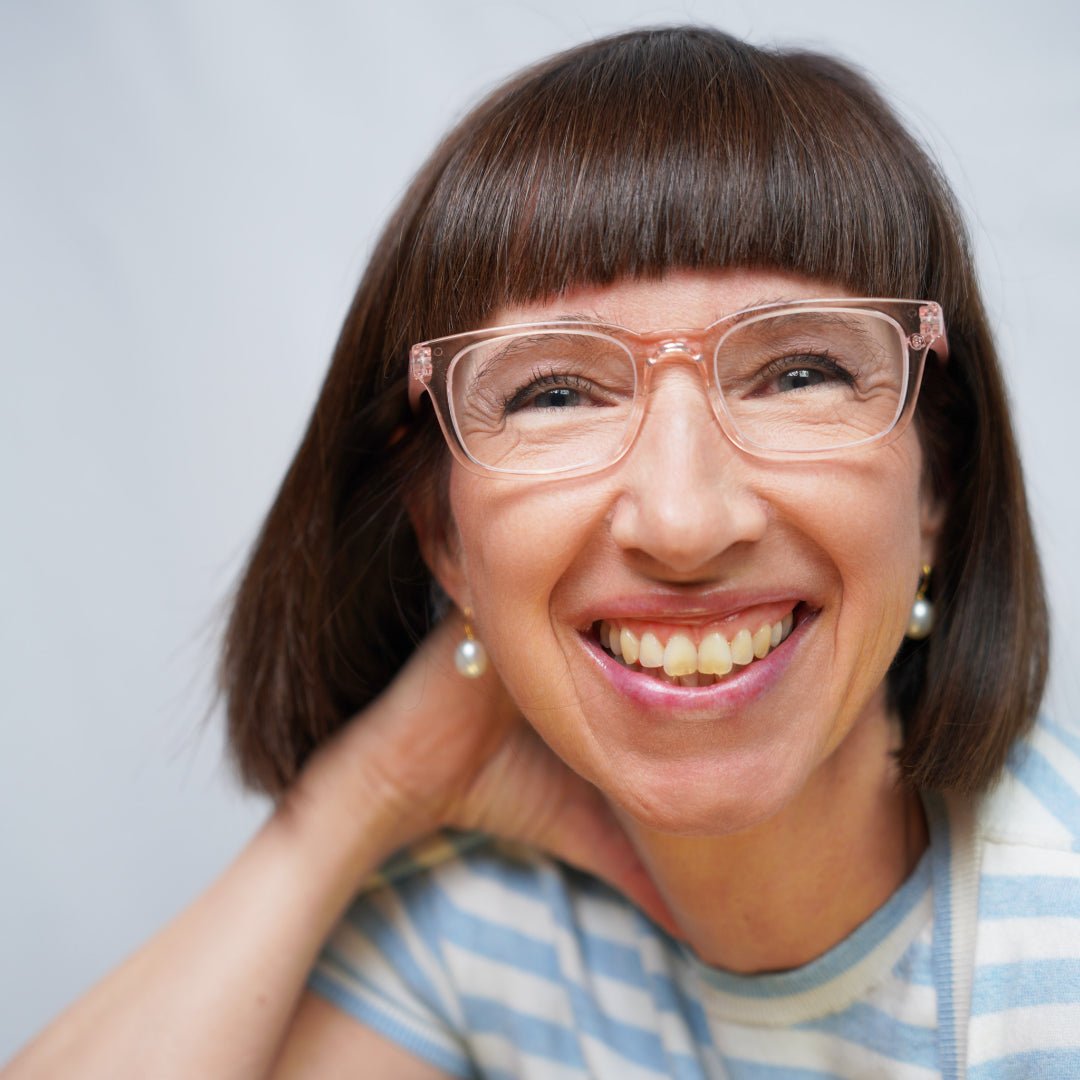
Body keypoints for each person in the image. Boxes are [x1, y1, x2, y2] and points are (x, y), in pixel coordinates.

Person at [6, 24, 1079, 1080]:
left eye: (799, 373)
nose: (684, 519)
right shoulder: (481, 919)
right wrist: (372, 789)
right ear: (446, 540)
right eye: (555, 392)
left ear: (939, 482)